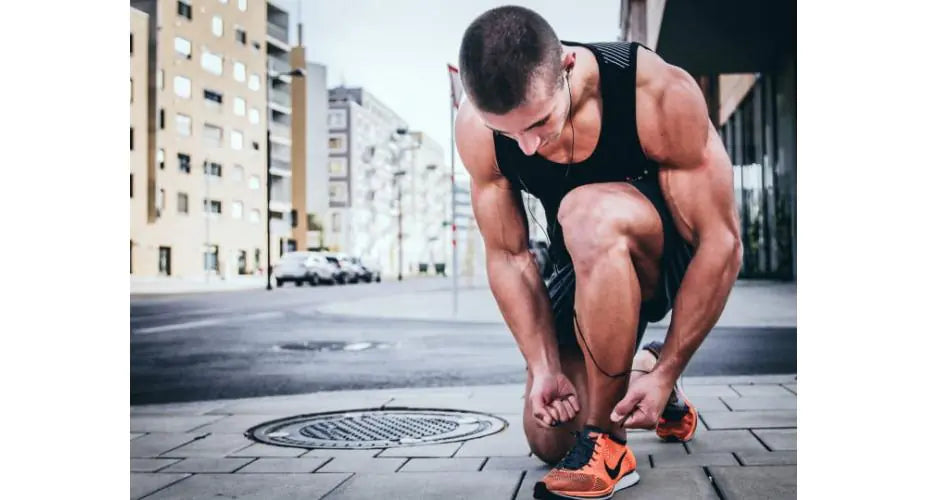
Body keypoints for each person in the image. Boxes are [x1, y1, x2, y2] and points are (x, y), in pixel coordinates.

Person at [455, 6, 742, 499]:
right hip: (582, 261)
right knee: (548, 437)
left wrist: (675, 362)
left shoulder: (651, 89)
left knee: (584, 210)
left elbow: (721, 241)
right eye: (508, 133)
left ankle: (608, 446)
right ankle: (641, 375)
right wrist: (543, 365)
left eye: (539, 123)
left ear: (567, 67)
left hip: (663, 256)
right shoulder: (477, 127)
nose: (525, 147)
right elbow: (509, 255)